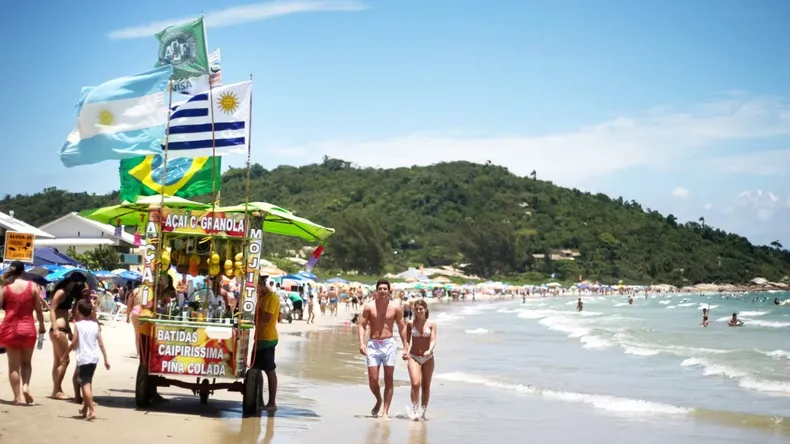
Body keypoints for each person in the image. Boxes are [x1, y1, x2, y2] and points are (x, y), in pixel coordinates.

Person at [358, 279, 408, 420]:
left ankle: (385, 411)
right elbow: (362, 325)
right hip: (373, 344)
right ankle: (379, 399)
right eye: (380, 288)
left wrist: (406, 346)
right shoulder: (369, 307)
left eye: (385, 289)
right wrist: (361, 343)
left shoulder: (395, 307)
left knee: (389, 379)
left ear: (389, 291)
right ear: (376, 290)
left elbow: (402, 327)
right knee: (373, 379)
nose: (382, 291)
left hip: (388, 345)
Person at [0, 261, 47, 405]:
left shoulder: (6, 289)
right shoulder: (32, 286)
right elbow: (39, 310)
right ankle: (26, 386)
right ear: (23, 271)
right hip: (28, 329)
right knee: (26, 363)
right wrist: (42, 326)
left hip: (10, 329)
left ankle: (17, 397)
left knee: (13, 366)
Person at [62, 299, 110, 420]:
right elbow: (101, 344)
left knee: (85, 384)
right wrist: (105, 359)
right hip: (94, 358)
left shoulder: (78, 325)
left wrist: (65, 355)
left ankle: (92, 410)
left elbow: (74, 343)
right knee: (88, 382)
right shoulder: (95, 325)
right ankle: (85, 408)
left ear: (78, 311)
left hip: (84, 358)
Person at [49, 272, 87, 400]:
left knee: (57, 361)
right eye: (79, 283)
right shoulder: (61, 292)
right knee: (65, 360)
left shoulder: (67, 293)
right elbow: (52, 309)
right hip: (58, 329)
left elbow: (65, 314)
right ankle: (56, 390)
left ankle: (57, 389)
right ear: (73, 282)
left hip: (63, 328)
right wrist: (55, 328)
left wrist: (69, 330)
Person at [405, 299, 436, 420]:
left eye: (421, 309)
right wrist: (405, 351)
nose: (418, 311)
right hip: (414, 356)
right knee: (415, 383)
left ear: (426, 309)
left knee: (426, 386)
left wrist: (430, 349)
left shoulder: (432, 324)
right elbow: (407, 341)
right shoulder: (410, 324)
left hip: (428, 357)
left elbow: (433, 340)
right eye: (416, 309)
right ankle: (414, 411)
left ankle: (422, 412)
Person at [252, 276, 279, 411]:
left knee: (269, 370)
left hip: (268, 339)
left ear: (261, 285)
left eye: (256, 287)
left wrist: (252, 322)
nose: (255, 290)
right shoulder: (261, 297)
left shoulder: (271, 298)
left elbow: (267, 318)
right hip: (259, 338)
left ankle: (272, 403)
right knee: (255, 369)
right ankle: (260, 400)